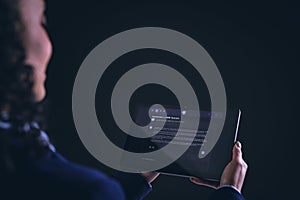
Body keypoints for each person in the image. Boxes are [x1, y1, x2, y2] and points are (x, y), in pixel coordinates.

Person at [0, 0, 248, 199]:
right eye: (41, 23)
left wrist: (135, 179)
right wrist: (230, 194)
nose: (49, 43)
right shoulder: (90, 190)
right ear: (9, 44)